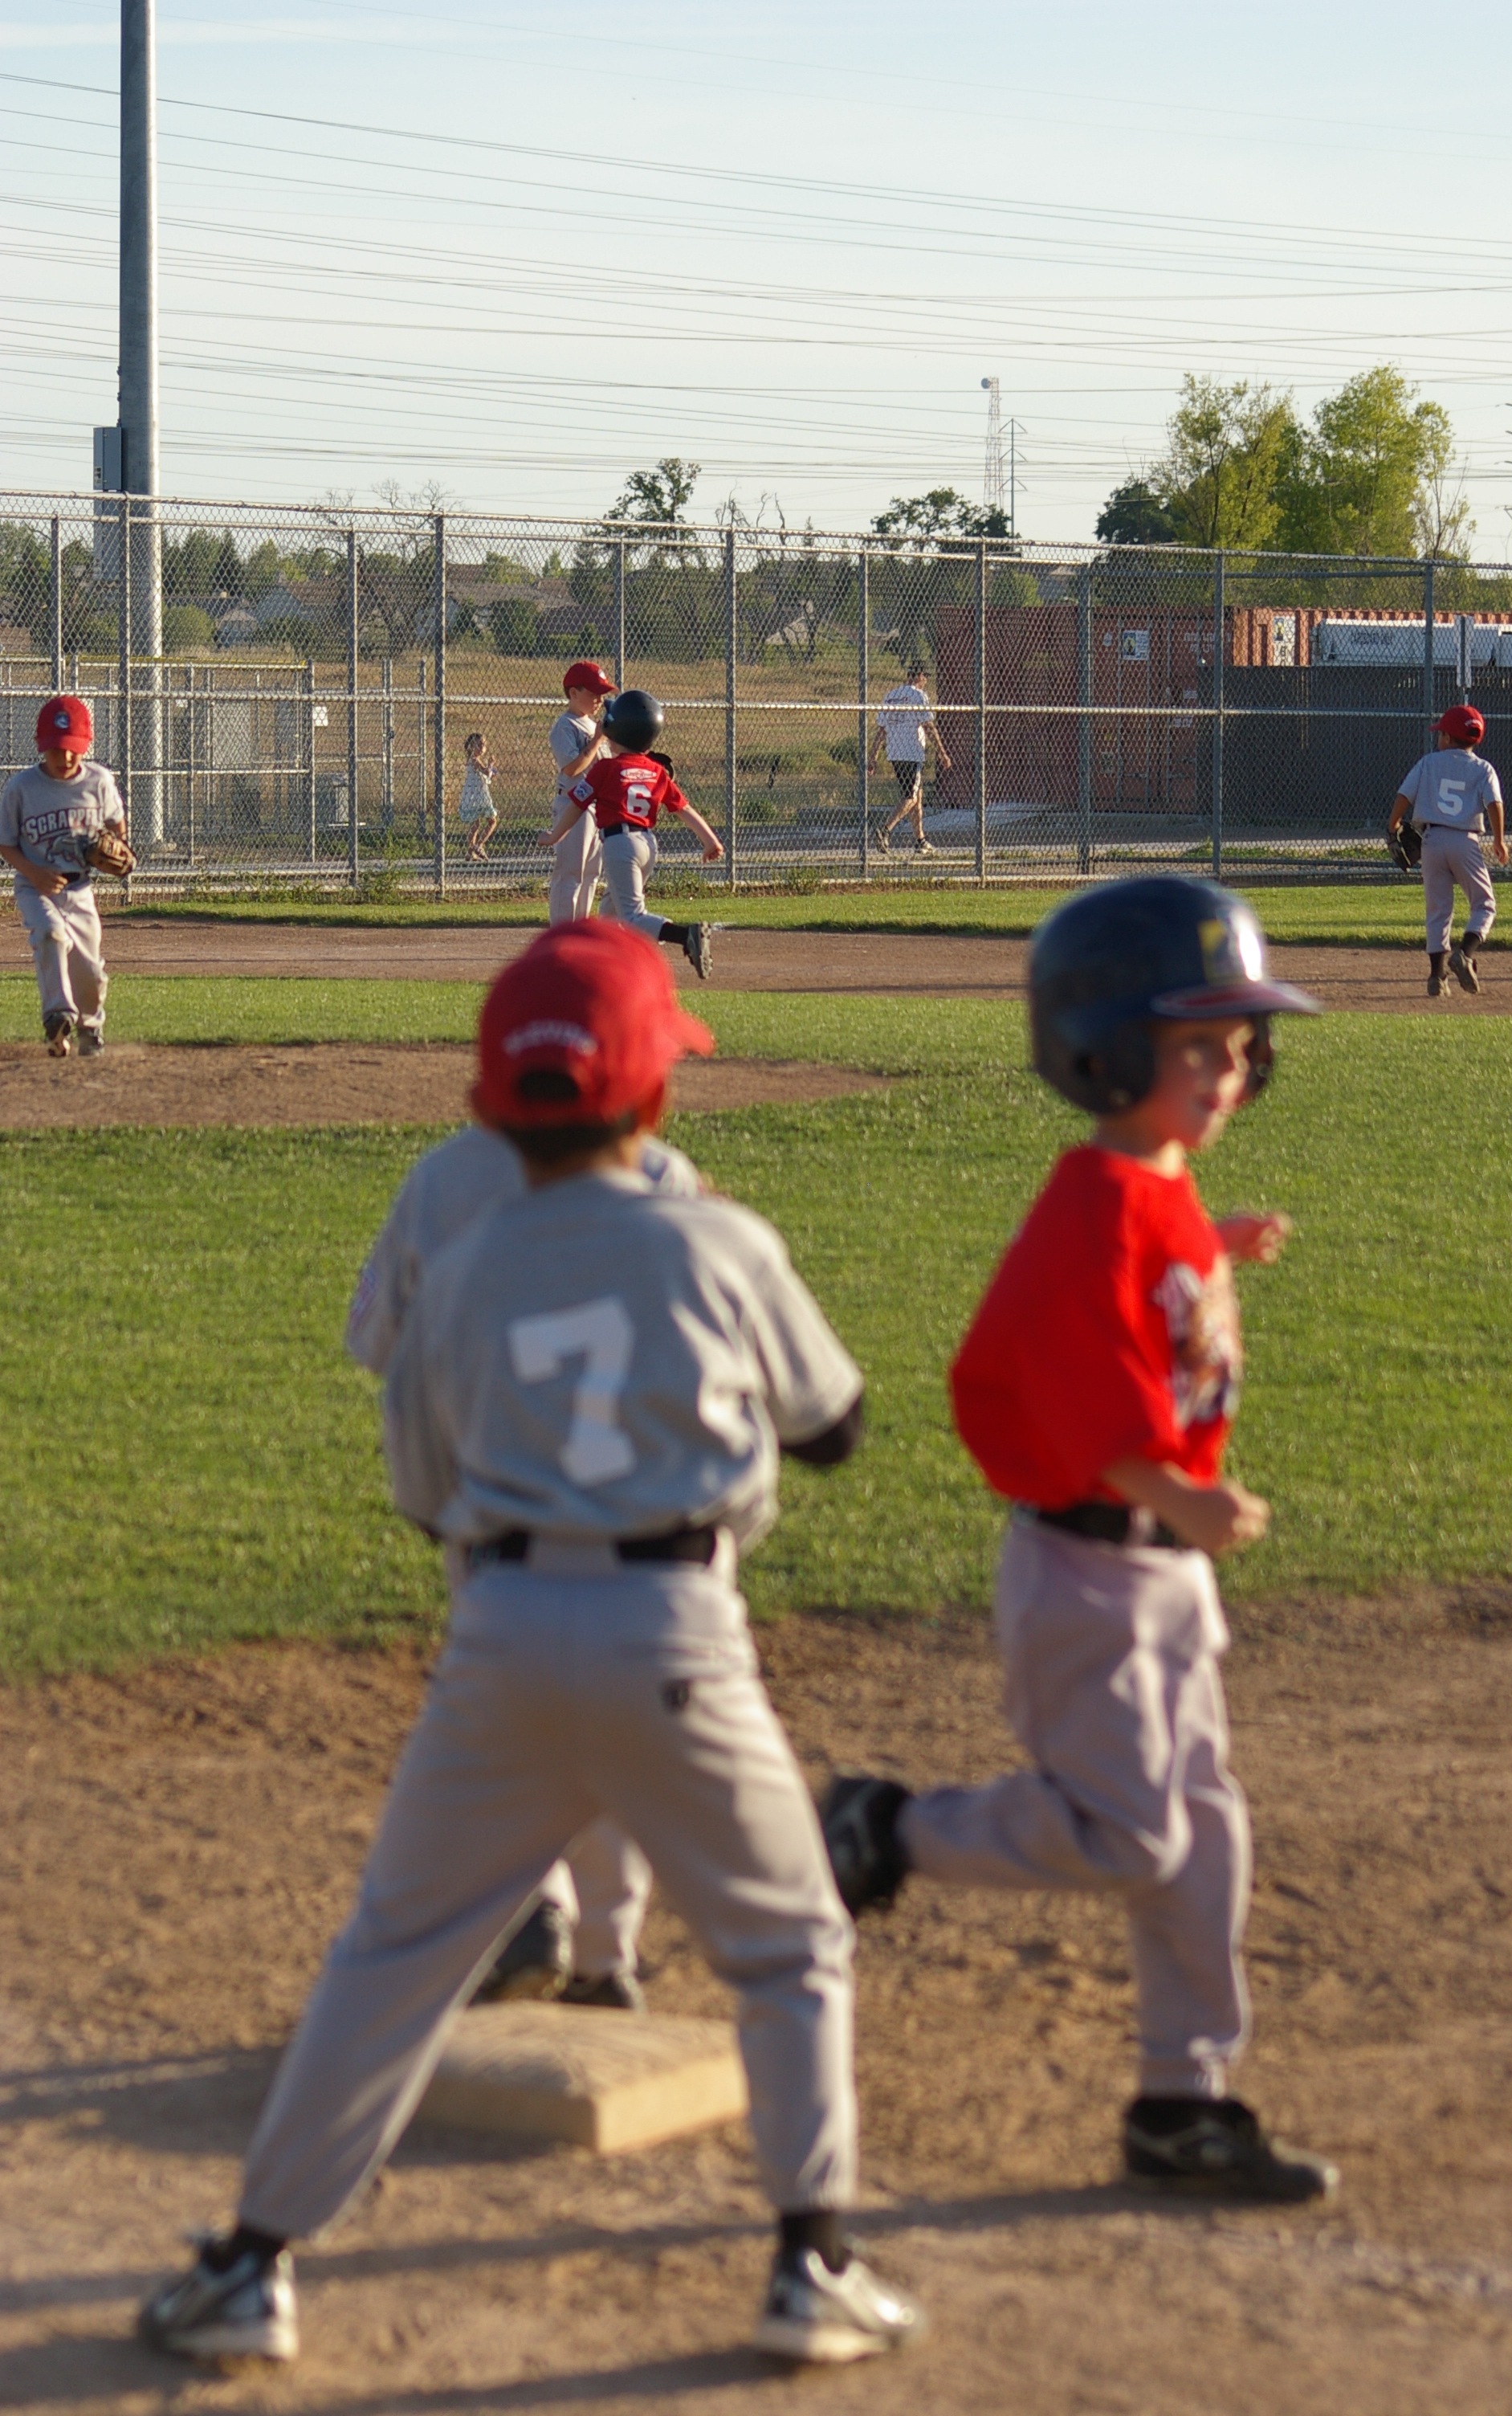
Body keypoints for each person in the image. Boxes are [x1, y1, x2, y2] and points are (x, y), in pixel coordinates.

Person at [139, 919, 925, 2371]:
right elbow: (839, 1429)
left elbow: (422, 1489)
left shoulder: (462, 1264)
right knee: (790, 1942)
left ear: (492, 1101)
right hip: (679, 1632)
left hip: (495, 1635)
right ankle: (812, 2266)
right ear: (656, 1093)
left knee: (394, 1954)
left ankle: (250, 2267)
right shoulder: (717, 1237)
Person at [822, 877, 1339, 2206]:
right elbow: (1066, 1387)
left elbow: (1149, 1267)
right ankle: (888, 1830)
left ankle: (1184, 2102)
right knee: (1132, 1837)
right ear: (1105, 1047)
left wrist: (1215, 1243)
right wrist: (1183, 1495)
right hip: (1091, 1572)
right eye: (1197, 1046)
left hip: (1155, 1575)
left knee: (1205, 1838)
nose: (1228, 1071)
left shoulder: (1155, 1186)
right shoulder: (1094, 1206)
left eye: (1240, 1046)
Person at [344, 1081, 708, 2013]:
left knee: (505, 1725)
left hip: (493, 1505)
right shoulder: (664, 1176)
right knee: (619, 1731)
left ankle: (530, 1905)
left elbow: (377, 1341)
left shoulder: (444, 1179)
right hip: (642, 1518)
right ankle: (603, 1955)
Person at [549, 688, 720, 979]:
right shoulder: (656, 770)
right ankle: (605, 966)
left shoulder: (605, 767)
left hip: (620, 844)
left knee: (632, 916)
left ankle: (686, 935)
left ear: (615, 730)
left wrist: (554, 836)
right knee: (610, 914)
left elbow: (577, 805)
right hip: (648, 845)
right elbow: (684, 809)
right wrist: (710, 841)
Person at [0, 694, 129, 1057]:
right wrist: (35, 873)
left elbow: (117, 824)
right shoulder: (22, 788)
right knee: (51, 934)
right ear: (42, 746)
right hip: (35, 887)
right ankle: (57, 1015)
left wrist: (117, 846)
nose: (66, 757)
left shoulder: (98, 781)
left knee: (89, 969)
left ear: (86, 745)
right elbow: (5, 843)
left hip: (80, 888)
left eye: (73, 749)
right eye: (56, 749)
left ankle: (90, 1028)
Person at [1386, 704, 1509, 997]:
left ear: (1448, 738)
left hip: (1431, 841)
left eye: (1441, 733)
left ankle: (1436, 977)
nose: (1439, 738)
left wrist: (1393, 824)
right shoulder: (1483, 768)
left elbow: (1404, 795)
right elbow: (1494, 804)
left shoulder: (1428, 762)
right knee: (1484, 903)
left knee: (1438, 910)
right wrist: (1499, 840)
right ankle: (1464, 953)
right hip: (1465, 841)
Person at [545, 658, 614, 924]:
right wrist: (597, 740)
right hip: (574, 805)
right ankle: (562, 934)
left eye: (602, 694)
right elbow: (573, 769)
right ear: (573, 693)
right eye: (594, 693)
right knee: (571, 872)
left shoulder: (595, 726)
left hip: (597, 807)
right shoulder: (566, 726)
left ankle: (581, 932)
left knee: (591, 874)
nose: (600, 699)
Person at [869, 664, 952, 857]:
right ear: (920, 676)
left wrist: (874, 755)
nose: (926, 680)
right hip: (912, 753)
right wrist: (942, 753)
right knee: (911, 797)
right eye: (925, 676)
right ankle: (885, 830)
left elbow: (882, 730)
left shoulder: (891, 695)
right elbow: (929, 726)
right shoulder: (918, 696)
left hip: (895, 752)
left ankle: (920, 840)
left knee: (917, 796)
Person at [458, 732, 497, 862]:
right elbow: (485, 771)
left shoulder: (475, 760)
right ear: (471, 747)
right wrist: (490, 765)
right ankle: (479, 845)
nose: (482, 748)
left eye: (483, 745)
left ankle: (470, 852)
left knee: (476, 823)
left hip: (475, 794)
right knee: (492, 821)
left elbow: (486, 775)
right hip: (478, 795)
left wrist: (490, 772)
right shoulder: (474, 760)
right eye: (479, 745)